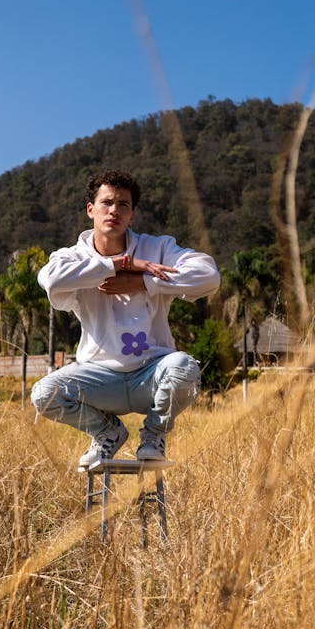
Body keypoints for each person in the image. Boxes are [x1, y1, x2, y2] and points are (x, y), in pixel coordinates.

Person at [31, 169, 220, 468]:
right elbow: (50, 279)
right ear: (90, 210)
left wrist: (143, 281)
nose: (114, 210)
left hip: (152, 373)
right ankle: (107, 432)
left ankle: (154, 434)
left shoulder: (157, 248)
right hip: (100, 377)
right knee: (45, 394)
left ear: (132, 215)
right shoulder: (75, 255)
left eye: (124, 205)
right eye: (107, 202)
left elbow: (208, 275)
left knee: (185, 367)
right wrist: (120, 264)